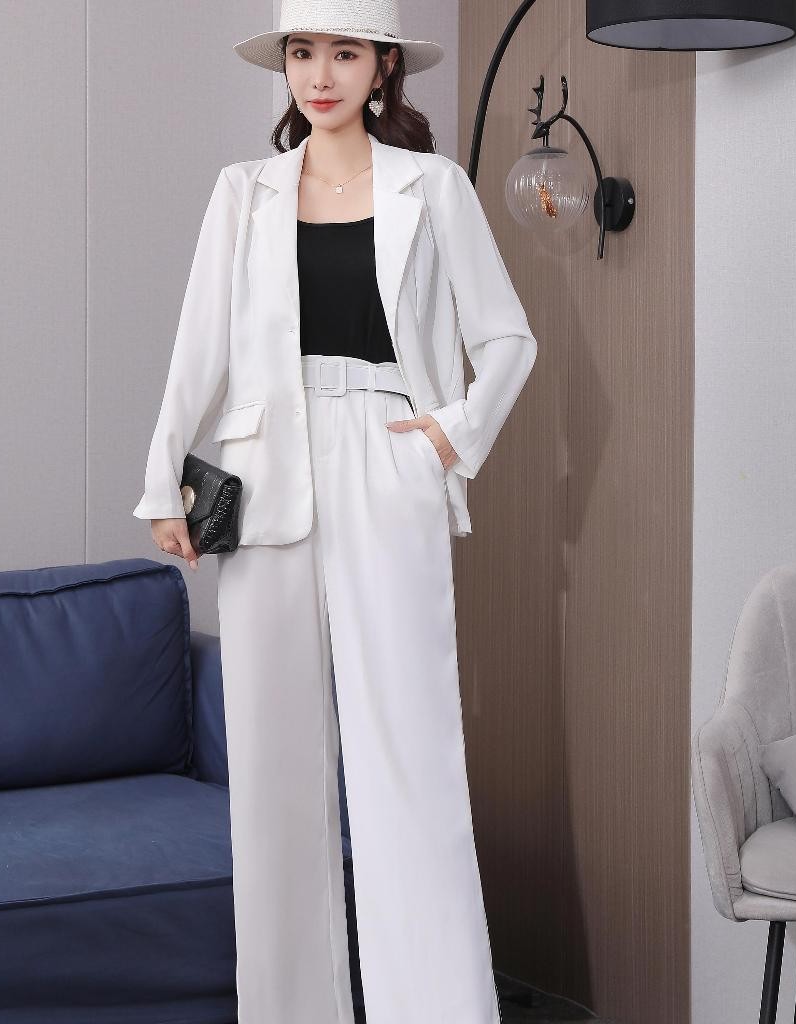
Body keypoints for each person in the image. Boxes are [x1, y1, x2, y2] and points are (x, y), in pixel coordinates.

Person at [132, 2, 538, 1020]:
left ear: (383, 66)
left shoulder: (433, 187)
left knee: (410, 761)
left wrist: (450, 433)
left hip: (386, 457)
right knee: (271, 774)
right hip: (263, 474)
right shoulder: (245, 192)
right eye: (303, 53)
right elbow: (198, 347)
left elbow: (508, 338)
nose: (319, 75)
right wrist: (161, 480)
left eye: (344, 53)